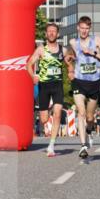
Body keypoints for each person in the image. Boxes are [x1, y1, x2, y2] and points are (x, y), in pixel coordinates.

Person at [65, 16, 100, 158]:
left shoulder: (96, 40)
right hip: (79, 82)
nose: (84, 31)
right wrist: (70, 63)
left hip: (94, 83)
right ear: (78, 28)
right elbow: (70, 56)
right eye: (82, 28)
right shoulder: (73, 42)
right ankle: (83, 146)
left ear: (89, 29)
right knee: (81, 112)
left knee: (90, 117)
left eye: (87, 28)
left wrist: (93, 53)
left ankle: (89, 131)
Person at [27, 23, 67, 157]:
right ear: (46, 34)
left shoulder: (63, 50)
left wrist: (72, 70)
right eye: (49, 31)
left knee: (57, 113)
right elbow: (29, 64)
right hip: (43, 86)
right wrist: (33, 76)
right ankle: (48, 110)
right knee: (44, 119)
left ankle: (51, 145)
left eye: (54, 31)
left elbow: (71, 62)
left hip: (57, 85)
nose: (51, 33)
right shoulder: (41, 50)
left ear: (58, 34)